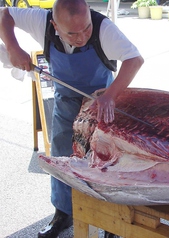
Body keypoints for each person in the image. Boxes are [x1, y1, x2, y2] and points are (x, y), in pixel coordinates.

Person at [0, 0, 144, 237]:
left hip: (100, 104)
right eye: (72, 33)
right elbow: (5, 15)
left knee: (104, 161)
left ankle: (110, 223)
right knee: (61, 156)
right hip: (65, 103)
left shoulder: (103, 29)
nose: (82, 37)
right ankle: (63, 213)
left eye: (86, 28)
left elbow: (134, 59)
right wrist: (13, 46)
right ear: (55, 25)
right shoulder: (41, 22)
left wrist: (110, 95)